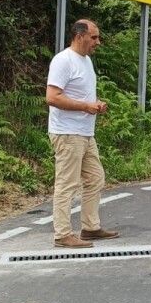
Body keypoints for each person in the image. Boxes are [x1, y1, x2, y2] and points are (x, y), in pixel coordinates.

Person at [45, 18, 120, 248]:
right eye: (94, 37)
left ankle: (90, 228)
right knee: (67, 184)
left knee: (95, 178)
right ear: (80, 36)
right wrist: (85, 107)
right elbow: (52, 97)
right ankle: (62, 234)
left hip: (85, 133)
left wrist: (95, 104)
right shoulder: (63, 61)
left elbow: (79, 95)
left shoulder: (86, 61)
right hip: (67, 133)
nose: (98, 42)